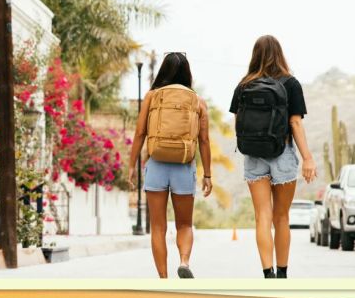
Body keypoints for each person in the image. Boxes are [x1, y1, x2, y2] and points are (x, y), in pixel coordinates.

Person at [229, 35, 317, 279]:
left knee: (262, 216)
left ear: (254, 55)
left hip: (254, 155)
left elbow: (238, 122)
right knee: (282, 217)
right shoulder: (291, 83)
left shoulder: (244, 85)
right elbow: (295, 123)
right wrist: (308, 158)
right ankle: (283, 273)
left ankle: (267, 274)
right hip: (283, 153)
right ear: (280, 54)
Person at [128, 52, 212, 279]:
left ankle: (163, 279)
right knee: (184, 224)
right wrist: (208, 175)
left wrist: (131, 166)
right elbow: (204, 140)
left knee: (158, 227)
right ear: (187, 73)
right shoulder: (197, 100)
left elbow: (139, 133)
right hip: (184, 165)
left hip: (157, 165)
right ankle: (184, 261)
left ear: (163, 71)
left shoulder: (152, 96)